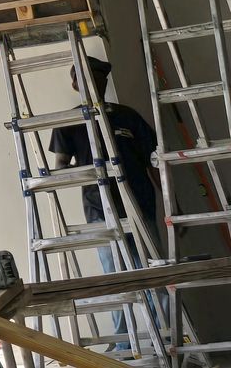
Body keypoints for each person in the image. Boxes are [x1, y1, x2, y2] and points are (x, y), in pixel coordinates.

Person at [47, 57, 162, 347]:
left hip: (140, 209)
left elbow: (154, 166)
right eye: (84, 80)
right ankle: (122, 343)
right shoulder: (68, 122)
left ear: (105, 82)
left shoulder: (128, 117)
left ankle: (167, 336)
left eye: (98, 80)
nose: (92, 85)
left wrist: (174, 206)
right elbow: (61, 166)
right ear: (75, 84)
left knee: (155, 277)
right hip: (99, 214)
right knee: (114, 282)